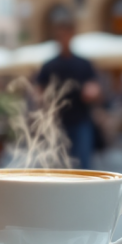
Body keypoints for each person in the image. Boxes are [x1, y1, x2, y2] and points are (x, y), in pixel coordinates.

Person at [37, 23, 100, 169]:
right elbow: (39, 91)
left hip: (81, 120)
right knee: (58, 164)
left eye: (66, 35)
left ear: (72, 36)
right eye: (61, 35)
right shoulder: (49, 65)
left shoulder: (83, 63)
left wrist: (92, 92)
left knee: (83, 164)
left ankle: (83, 192)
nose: (64, 38)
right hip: (56, 122)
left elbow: (95, 88)